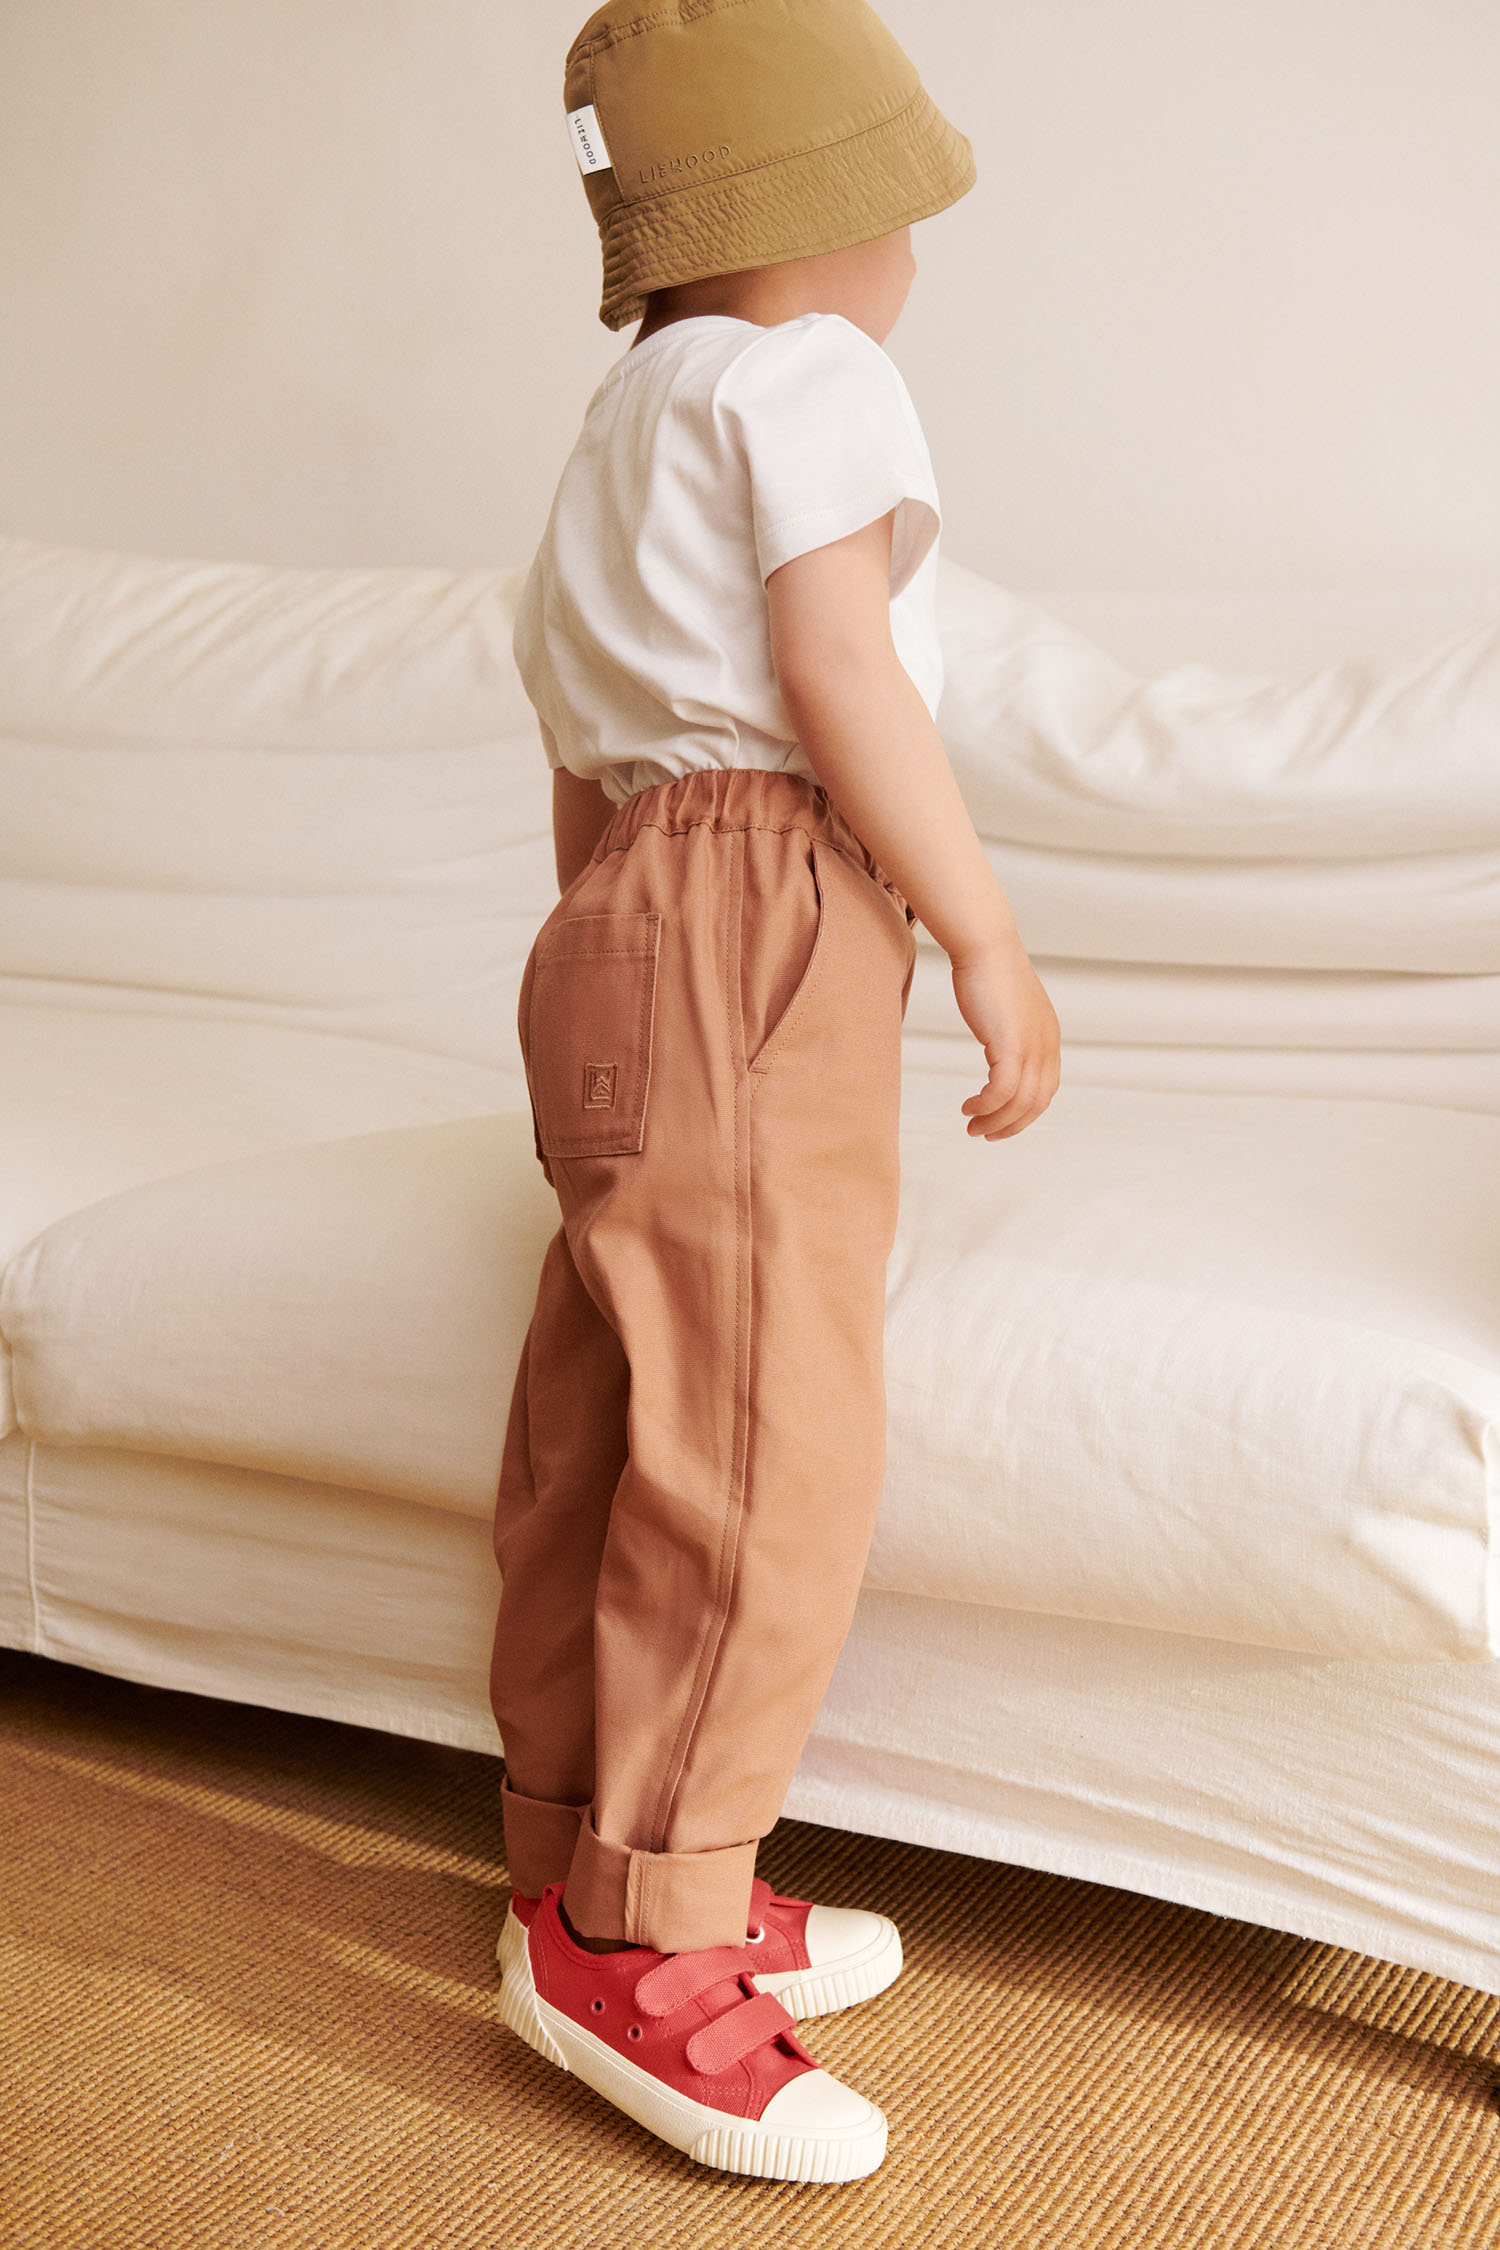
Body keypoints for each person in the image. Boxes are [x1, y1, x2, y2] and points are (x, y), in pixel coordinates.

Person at [490, 0, 1059, 2184]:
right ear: (826, 211)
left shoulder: (614, 427)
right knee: (764, 1441)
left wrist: (616, 938)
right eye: (902, 209)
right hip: (761, 906)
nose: (913, 254)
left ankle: (576, 1858)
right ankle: (648, 1933)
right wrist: (976, 930)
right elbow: (832, 669)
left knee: (614, 1404)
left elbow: (580, 749)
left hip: (614, 908)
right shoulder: (814, 372)